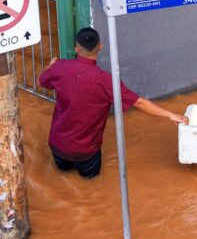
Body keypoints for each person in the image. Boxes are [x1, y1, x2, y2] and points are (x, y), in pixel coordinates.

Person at [38, 28, 188, 179]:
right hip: (86, 152)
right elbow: (140, 103)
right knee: (90, 184)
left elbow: (41, 80)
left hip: (57, 146)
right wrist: (171, 115)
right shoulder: (107, 81)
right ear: (100, 47)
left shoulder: (59, 67)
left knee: (62, 177)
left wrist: (51, 66)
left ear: (76, 49)